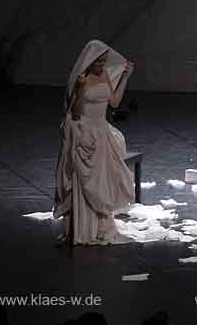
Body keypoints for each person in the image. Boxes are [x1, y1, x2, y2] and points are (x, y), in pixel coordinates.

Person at [54, 40, 136, 244]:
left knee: (102, 179)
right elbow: (76, 111)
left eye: (104, 61)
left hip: (102, 131)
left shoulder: (105, 75)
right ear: (89, 61)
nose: (102, 65)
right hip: (85, 131)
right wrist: (80, 89)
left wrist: (125, 76)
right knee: (85, 180)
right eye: (99, 62)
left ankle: (101, 226)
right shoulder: (81, 79)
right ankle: (84, 228)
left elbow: (114, 102)